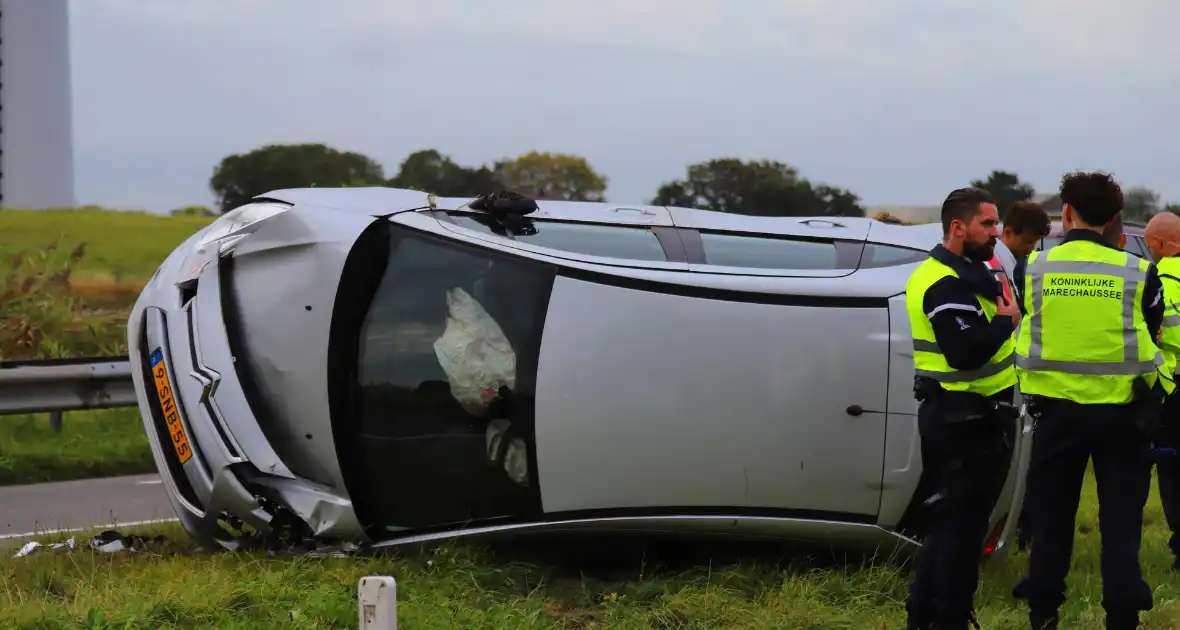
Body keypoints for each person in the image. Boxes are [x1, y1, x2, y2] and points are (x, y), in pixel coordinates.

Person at [1010, 171, 1165, 630]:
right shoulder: (1138, 270)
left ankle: (1043, 615)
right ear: (1116, 218)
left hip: (1055, 415)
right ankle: (1121, 618)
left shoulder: (1034, 267)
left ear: (1067, 214)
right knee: (1121, 528)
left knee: (1051, 523)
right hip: (1124, 417)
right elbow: (1153, 328)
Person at [903, 187, 1022, 630]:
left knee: (953, 527)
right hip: (960, 420)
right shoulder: (941, 282)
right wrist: (1004, 322)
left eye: (996, 224)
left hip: (975, 416)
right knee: (960, 533)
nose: (996, 233)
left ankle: (928, 618)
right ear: (958, 227)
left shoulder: (970, 272)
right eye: (987, 224)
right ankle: (945, 618)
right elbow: (964, 352)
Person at [1142, 211, 1180, 569]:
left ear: (1162, 244)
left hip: (1173, 391)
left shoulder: (1163, 281)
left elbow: (1156, 338)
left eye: (1150, 245)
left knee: (1171, 470)